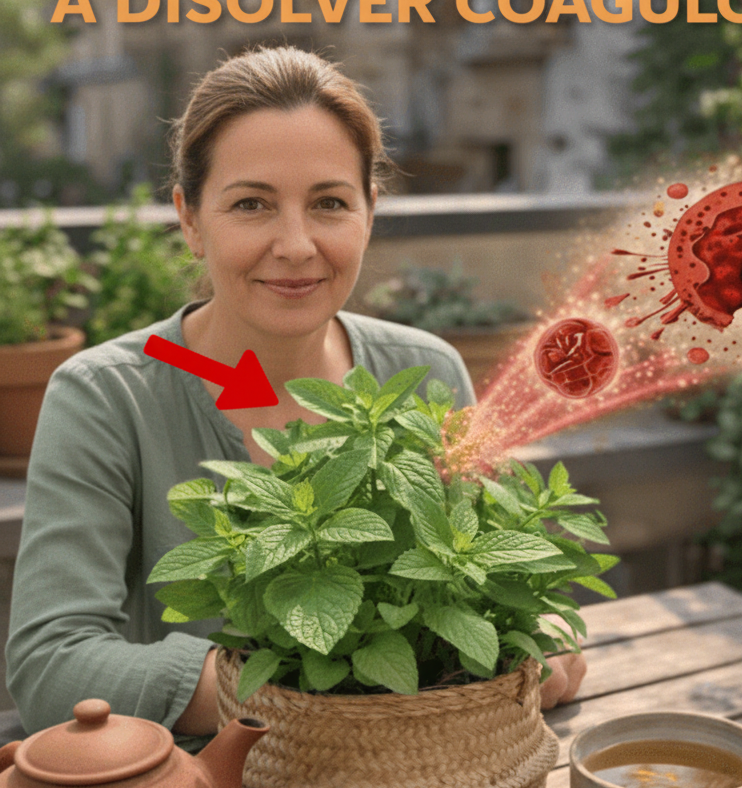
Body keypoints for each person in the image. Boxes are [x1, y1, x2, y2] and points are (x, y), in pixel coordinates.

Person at [6, 45, 584, 739]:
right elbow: (51, 669)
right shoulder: (104, 397)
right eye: (251, 204)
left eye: (329, 203)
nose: (296, 244)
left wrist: (540, 643)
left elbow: (510, 590)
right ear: (190, 218)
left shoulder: (428, 373)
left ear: (370, 212)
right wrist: (307, 695)